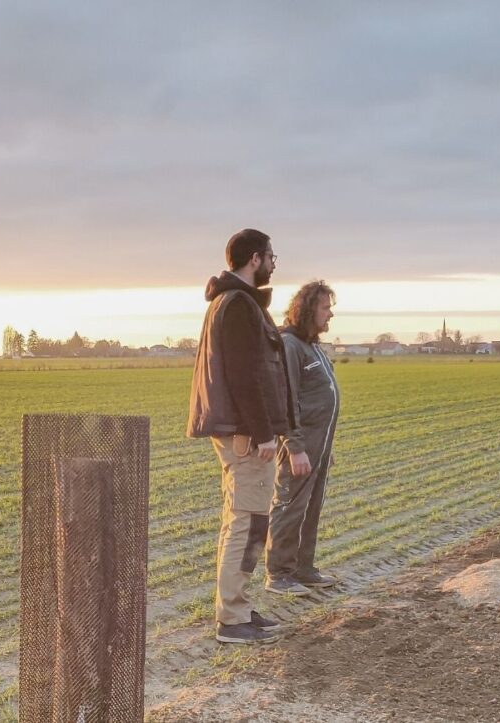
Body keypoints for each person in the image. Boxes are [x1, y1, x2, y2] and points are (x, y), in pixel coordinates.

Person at [187, 228, 293, 645]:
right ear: (254, 259)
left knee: (243, 520)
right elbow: (246, 376)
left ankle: (239, 607)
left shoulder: (233, 302)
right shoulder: (237, 305)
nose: (273, 265)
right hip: (247, 435)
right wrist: (263, 433)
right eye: (271, 257)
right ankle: (232, 619)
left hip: (243, 432)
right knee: (248, 523)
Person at [265, 280, 342, 596]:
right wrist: (295, 447)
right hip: (299, 447)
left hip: (317, 447)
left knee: (311, 507)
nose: (330, 315)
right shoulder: (290, 345)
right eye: (325, 308)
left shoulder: (312, 346)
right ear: (309, 310)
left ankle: (303, 568)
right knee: (290, 507)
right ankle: (278, 574)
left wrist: (325, 447)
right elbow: (286, 399)